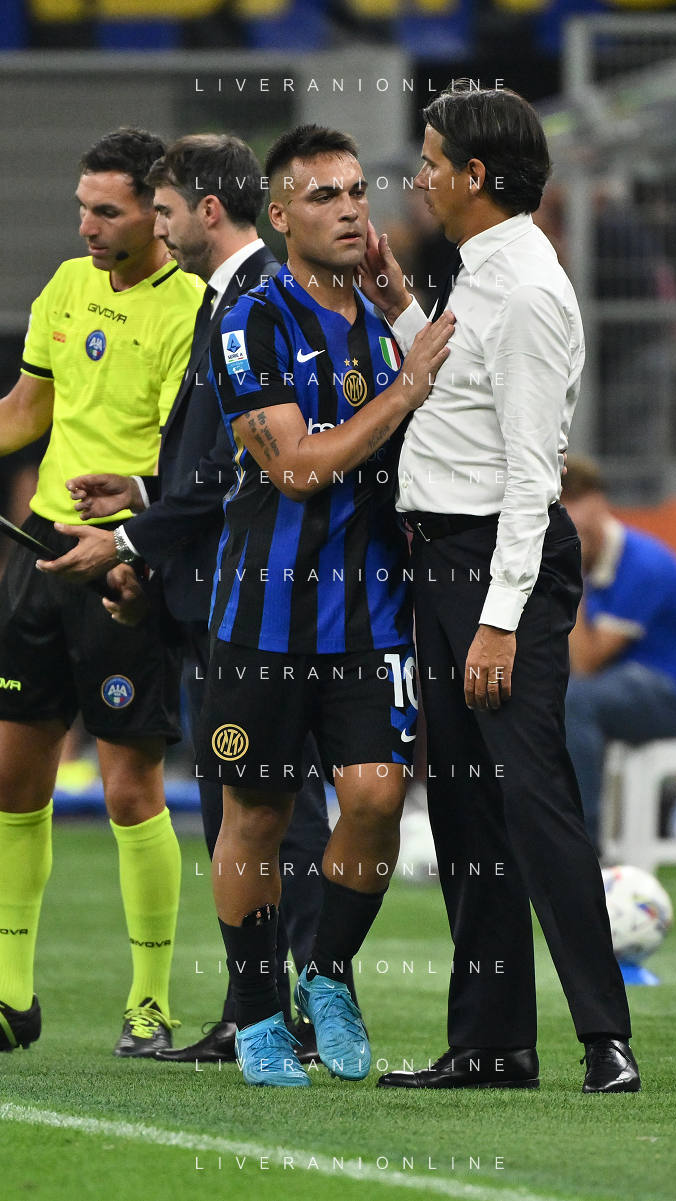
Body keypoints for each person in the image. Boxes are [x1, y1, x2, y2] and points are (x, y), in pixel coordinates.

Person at [358, 82, 638, 1093]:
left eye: (432, 162)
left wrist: (497, 620)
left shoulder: (521, 289)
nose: (419, 178)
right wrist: (401, 312)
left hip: (494, 564)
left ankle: (604, 1037)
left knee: (533, 792)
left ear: (475, 176)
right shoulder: (478, 273)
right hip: (444, 557)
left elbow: (530, 476)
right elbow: (459, 404)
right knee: (467, 806)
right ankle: (490, 1042)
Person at [40, 134, 341, 1066]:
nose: (158, 230)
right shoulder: (233, 298)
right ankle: (257, 1009)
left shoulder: (256, 302)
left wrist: (132, 539)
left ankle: (300, 1003)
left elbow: (241, 470)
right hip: (220, 593)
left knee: (274, 807)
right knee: (240, 806)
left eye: (163, 211)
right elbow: (216, 458)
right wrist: (143, 491)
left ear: (207, 211)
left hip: (254, 596)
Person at [195, 123, 453, 1087]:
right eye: (322, 196)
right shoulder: (251, 321)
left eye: (356, 192)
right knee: (257, 814)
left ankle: (329, 971)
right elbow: (297, 468)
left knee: (378, 796)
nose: (349, 209)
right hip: (262, 614)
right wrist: (407, 389)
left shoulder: (390, 319)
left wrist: (406, 324)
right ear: (279, 214)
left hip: (372, 611)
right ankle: (258, 1010)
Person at [0, 127, 201, 1058]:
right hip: (39, 550)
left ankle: (149, 1004)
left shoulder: (190, 309)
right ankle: (10, 993)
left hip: (122, 557)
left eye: (107, 211)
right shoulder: (66, 284)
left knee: (128, 788)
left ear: (157, 214)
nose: (87, 225)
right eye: (83, 207)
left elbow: (181, 454)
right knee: (12, 778)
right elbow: (27, 410)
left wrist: (133, 541)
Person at [560, 455, 676, 847]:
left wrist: (566, 571)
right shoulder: (600, 561)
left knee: (575, 701)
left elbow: (585, 663)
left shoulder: (643, 564)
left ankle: (583, 846)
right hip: (627, 685)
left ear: (599, 504)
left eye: (573, 504)